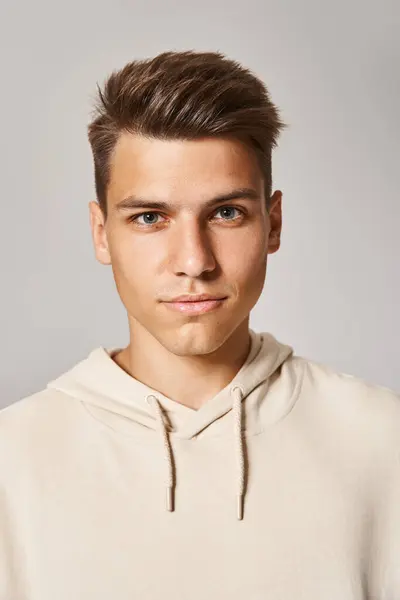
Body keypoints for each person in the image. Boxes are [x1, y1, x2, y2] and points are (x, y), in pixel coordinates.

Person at [0, 49, 399, 600]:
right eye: (149, 218)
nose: (194, 260)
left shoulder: (384, 442)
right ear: (100, 233)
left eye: (226, 213)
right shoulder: (12, 461)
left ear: (273, 223)